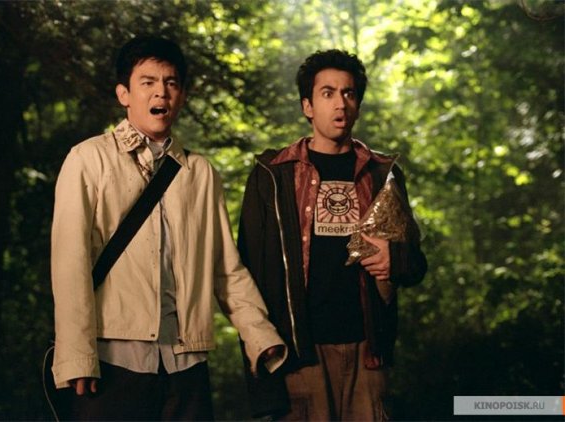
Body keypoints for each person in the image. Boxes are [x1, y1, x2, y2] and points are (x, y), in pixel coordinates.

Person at [50, 35, 286, 421]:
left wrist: (259, 336)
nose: (161, 91)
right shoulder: (88, 159)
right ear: (124, 94)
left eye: (171, 82)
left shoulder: (200, 173)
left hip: (186, 365)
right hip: (113, 360)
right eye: (148, 82)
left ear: (182, 95)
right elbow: (69, 264)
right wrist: (76, 357)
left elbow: (225, 268)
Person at [238, 49, 427, 421]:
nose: (340, 103)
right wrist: (263, 349)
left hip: (368, 351)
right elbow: (246, 269)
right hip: (301, 354)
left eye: (349, 93)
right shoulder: (273, 174)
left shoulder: (383, 173)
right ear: (307, 106)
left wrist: (395, 259)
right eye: (327, 93)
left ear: (358, 105)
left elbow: (415, 265)